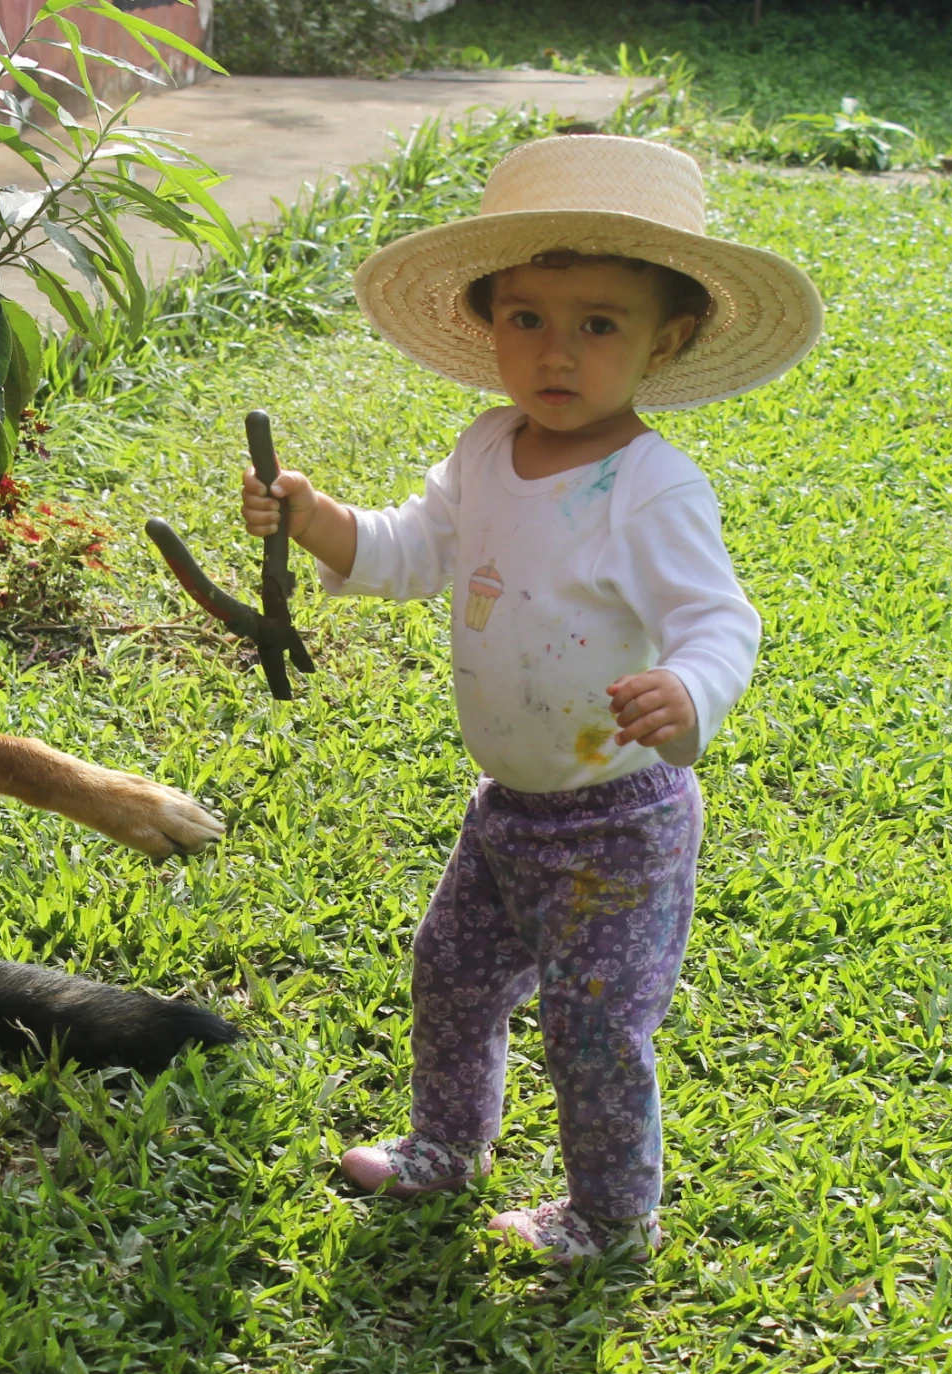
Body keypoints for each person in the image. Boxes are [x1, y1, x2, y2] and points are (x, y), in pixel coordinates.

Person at [240, 135, 823, 1261]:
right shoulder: (486, 446)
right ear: (488, 321)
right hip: (509, 807)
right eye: (526, 319)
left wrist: (689, 689)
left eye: (597, 323)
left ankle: (610, 1214)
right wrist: (318, 520)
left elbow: (721, 620)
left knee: (594, 1029)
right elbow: (415, 549)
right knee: (450, 973)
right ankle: (444, 1147)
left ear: (672, 336)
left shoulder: (650, 488)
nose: (555, 352)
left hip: (617, 818)